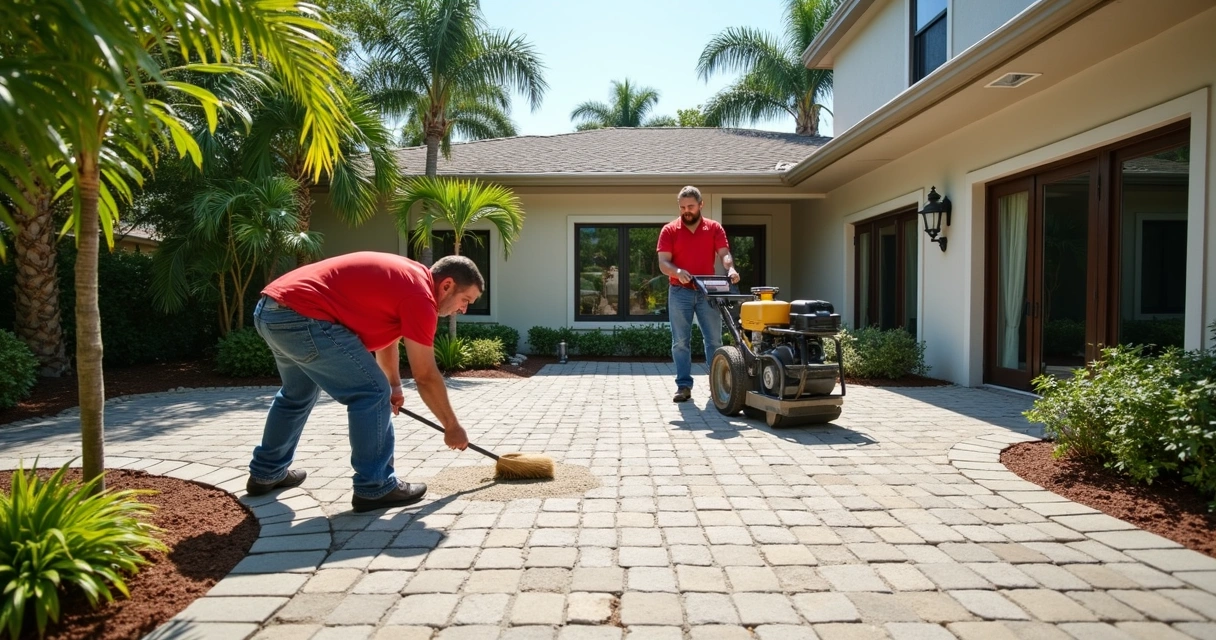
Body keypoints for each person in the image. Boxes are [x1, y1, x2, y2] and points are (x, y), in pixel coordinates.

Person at [245, 251, 479, 513]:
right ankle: (375, 486)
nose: (463, 309)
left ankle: (267, 472)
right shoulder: (420, 297)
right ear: (446, 285)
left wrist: (394, 387)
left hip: (271, 312)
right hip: (303, 317)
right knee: (370, 393)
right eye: (465, 299)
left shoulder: (408, 279)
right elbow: (425, 375)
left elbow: (388, 335)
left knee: (297, 394)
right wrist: (452, 426)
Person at [656, 186, 739, 403]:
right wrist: (677, 271)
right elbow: (663, 263)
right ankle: (683, 386)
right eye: (683, 207)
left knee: (714, 340)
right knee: (680, 342)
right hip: (679, 292)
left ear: (701, 205)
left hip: (707, 292)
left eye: (691, 206)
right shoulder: (669, 230)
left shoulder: (714, 228)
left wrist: (729, 268)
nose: (686, 211)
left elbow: (724, 253)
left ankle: (716, 384)